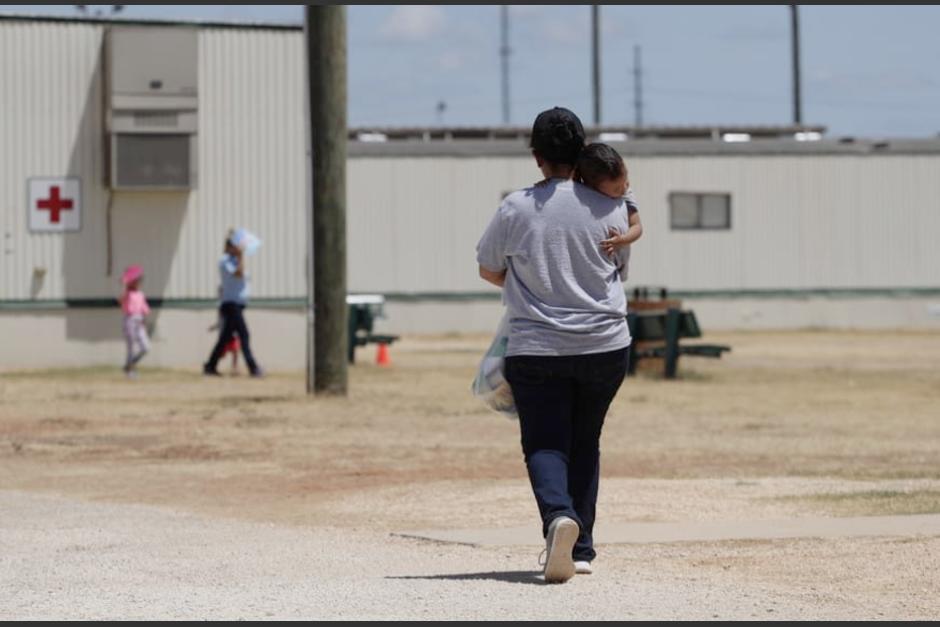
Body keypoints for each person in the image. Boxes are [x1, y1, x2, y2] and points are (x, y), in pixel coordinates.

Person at [476, 107, 634, 583]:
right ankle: (580, 550)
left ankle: (559, 518)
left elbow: (488, 268)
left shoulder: (515, 207)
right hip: (606, 343)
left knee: (545, 441)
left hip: (537, 344)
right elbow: (618, 270)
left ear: (536, 156)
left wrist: (525, 281)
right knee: (586, 440)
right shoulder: (611, 205)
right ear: (582, 151)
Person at [203, 233, 263, 378]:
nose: (239, 249)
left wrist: (239, 258)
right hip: (231, 305)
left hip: (237, 305)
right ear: (230, 247)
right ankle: (253, 368)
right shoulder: (225, 261)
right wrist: (241, 257)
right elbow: (238, 274)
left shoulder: (235, 261)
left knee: (224, 338)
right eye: (236, 246)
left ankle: (210, 365)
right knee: (244, 335)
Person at [119, 264, 151, 378]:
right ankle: (130, 371)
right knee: (131, 347)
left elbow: (145, 309)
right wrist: (124, 286)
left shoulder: (140, 294)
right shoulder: (127, 294)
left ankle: (129, 365)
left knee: (146, 347)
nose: (139, 282)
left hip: (139, 322)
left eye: (139, 280)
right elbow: (121, 301)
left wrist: (144, 319)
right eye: (137, 280)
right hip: (130, 321)